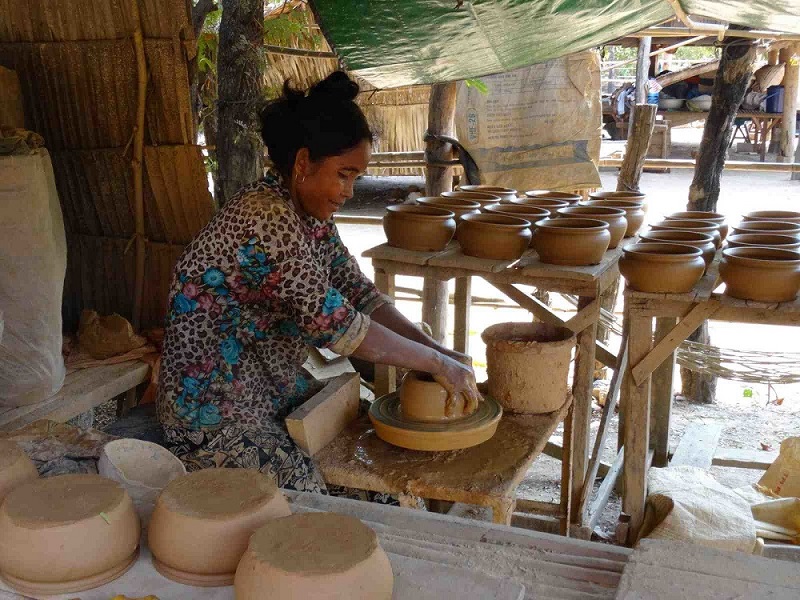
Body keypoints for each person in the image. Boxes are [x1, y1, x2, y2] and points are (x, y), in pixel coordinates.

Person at [156, 71, 479, 492]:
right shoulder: (264, 218)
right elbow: (339, 326)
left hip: (269, 391)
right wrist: (435, 364)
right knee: (318, 496)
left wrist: (438, 351)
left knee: (371, 474)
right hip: (211, 413)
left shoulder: (310, 217)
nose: (348, 191)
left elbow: (359, 294)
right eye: (343, 174)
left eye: (356, 178)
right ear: (304, 163)